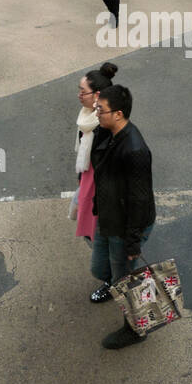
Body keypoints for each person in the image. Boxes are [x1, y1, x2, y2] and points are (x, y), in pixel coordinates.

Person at [90, 84, 157, 350]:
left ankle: (135, 329)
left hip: (125, 225)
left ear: (118, 114)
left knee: (126, 281)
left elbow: (139, 201)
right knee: (99, 267)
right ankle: (113, 283)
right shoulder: (109, 134)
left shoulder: (135, 150)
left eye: (101, 110)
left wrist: (132, 243)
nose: (97, 113)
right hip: (109, 217)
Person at [72, 63, 117, 247]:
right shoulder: (87, 115)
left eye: (83, 92)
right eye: (79, 90)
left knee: (95, 227)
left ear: (97, 95)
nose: (79, 96)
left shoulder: (106, 124)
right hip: (88, 175)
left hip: (100, 185)